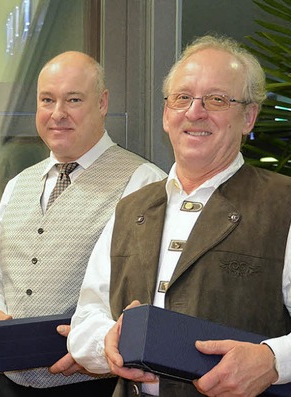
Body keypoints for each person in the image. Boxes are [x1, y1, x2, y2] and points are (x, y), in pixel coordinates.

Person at [67, 34, 291, 397]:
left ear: (248, 116)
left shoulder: (283, 205)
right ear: (166, 114)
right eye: (182, 98)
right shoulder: (131, 207)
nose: (194, 112)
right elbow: (87, 317)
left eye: (216, 99)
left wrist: (273, 360)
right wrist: (104, 341)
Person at [0, 51, 166, 396]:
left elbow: (154, 293)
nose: (58, 114)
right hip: (11, 386)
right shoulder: (18, 185)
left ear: (102, 103)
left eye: (73, 99)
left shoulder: (144, 183)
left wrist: (96, 350)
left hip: (95, 387)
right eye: (47, 100)